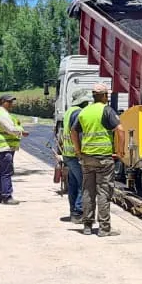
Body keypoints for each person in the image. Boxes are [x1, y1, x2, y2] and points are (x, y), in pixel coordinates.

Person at [71, 83, 122, 237]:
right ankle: (104, 229)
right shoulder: (106, 110)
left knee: (87, 191)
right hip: (104, 159)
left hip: (87, 158)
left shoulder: (84, 112)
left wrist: (78, 150)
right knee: (103, 193)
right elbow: (120, 130)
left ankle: (87, 226)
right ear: (105, 96)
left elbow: (73, 131)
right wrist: (119, 151)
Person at [59, 88, 91, 223]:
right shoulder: (78, 113)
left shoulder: (69, 112)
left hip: (67, 154)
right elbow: (77, 134)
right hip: (75, 154)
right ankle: (78, 213)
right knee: (83, 184)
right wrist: (81, 152)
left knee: (72, 184)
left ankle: (73, 212)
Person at [0, 93, 28, 205]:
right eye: (9, 102)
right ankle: (7, 196)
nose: (11, 104)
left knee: (0, 172)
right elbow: (10, 129)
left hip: (2, 147)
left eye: (12, 102)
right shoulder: (2, 114)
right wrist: (21, 131)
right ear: (3, 102)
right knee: (7, 172)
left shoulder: (0, 113)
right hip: (5, 147)